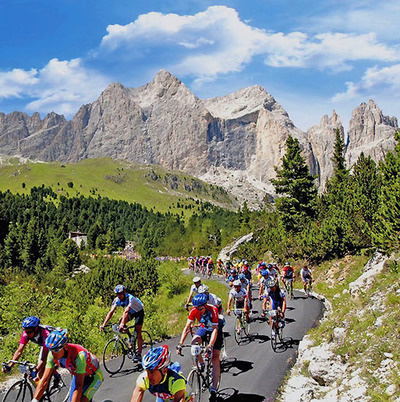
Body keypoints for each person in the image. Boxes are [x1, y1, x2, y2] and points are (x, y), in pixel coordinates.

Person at [31, 329, 103, 402]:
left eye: (56, 350)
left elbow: (79, 386)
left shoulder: (79, 355)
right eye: (51, 350)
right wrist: (34, 400)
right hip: (78, 374)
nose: (53, 353)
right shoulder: (52, 355)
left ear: (65, 347)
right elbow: (44, 381)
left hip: (94, 376)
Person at [176, 293, 223, 399]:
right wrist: (180, 344)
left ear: (205, 305)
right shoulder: (194, 310)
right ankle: (201, 363)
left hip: (215, 330)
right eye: (196, 308)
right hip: (204, 328)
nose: (198, 311)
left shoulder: (213, 310)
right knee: (194, 342)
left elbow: (215, 329)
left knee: (215, 357)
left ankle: (214, 388)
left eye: (200, 308)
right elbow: (187, 327)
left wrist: (210, 345)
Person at [100, 284, 145, 362]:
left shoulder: (130, 298)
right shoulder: (117, 300)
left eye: (120, 293)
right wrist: (103, 324)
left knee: (138, 331)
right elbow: (111, 312)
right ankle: (130, 337)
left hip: (139, 312)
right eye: (117, 294)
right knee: (120, 322)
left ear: (124, 292)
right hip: (131, 312)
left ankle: (139, 354)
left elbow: (126, 311)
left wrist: (122, 324)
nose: (119, 296)